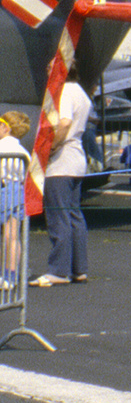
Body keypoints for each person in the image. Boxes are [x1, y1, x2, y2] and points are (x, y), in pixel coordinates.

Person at [36, 70, 92, 286]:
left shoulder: (65, 91)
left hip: (61, 161)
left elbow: (65, 122)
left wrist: (51, 147)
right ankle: (79, 269)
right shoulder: (81, 92)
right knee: (74, 214)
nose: (49, 70)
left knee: (58, 215)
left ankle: (59, 270)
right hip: (77, 159)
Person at [0, 111, 30, 291]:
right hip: (19, 190)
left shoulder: (2, 147)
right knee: (13, 235)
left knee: (7, 235)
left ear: (6, 127)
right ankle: (11, 275)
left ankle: (8, 276)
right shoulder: (23, 151)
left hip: (6, 189)